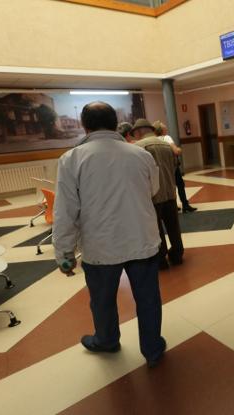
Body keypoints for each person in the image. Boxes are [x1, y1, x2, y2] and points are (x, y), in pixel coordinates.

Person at [52, 102, 166, 368]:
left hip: (100, 246)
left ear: (84, 125)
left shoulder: (72, 159)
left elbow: (65, 211)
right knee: (149, 299)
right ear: (115, 123)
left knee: (102, 301)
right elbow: (153, 190)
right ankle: (152, 349)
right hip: (142, 240)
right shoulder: (140, 155)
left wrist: (64, 253)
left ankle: (106, 340)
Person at [132, 118, 185, 268]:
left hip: (151, 196)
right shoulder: (167, 145)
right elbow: (175, 167)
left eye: (135, 133)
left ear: (139, 131)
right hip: (170, 192)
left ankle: (161, 260)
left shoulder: (138, 148)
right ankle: (177, 255)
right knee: (173, 226)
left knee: (155, 229)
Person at [151, 120, 197, 213]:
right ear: (162, 129)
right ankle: (185, 205)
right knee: (180, 184)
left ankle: (173, 207)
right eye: (164, 125)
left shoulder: (154, 140)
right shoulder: (167, 138)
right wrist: (179, 149)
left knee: (168, 186)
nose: (166, 127)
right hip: (172, 166)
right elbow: (176, 151)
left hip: (160, 167)